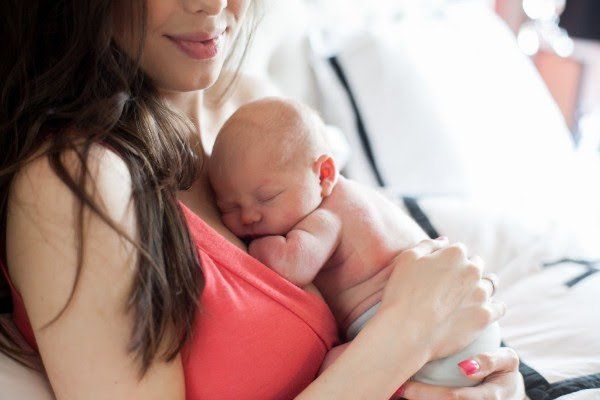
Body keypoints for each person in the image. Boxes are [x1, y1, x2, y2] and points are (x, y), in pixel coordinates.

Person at [0, 1, 525, 399]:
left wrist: (484, 379)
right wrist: (409, 331)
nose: (214, 3)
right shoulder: (77, 184)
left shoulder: (248, 105)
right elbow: (409, 317)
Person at [208, 97, 502, 388]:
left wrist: (254, 245)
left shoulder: (327, 216)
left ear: (324, 175)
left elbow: (289, 265)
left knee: (335, 365)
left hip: (435, 333)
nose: (248, 217)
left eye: (266, 198)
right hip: (465, 324)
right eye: (228, 207)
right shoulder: (353, 197)